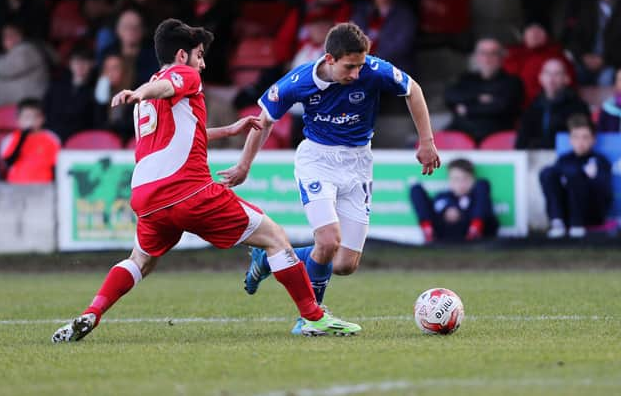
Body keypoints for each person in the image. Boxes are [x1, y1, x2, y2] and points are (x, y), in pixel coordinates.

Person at [51, 18, 360, 343]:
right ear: (182, 55)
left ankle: (93, 312)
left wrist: (228, 131)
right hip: (187, 190)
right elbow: (166, 86)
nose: (203, 62)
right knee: (275, 239)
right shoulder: (181, 76)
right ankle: (313, 317)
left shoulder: (152, 101)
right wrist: (137, 91)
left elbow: (180, 134)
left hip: (146, 198)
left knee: (140, 260)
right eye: (199, 55)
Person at [218, 22, 440, 334]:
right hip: (317, 161)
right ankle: (311, 318)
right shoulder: (298, 81)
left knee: (344, 263)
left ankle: (268, 259)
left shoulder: (373, 70)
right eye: (350, 66)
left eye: (361, 65)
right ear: (330, 59)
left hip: (359, 162)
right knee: (327, 240)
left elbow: (412, 89)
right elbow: (264, 120)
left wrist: (426, 141)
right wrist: (244, 165)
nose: (357, 74)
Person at [539, 114, 613, 238]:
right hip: (567, 210)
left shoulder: (600, 161)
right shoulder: (563, 160)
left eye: (585, 137)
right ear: (570, 139)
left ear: (593, 139)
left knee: (575, 174)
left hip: (591, 212)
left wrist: (587, 177)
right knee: (547, 172)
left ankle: (577, 223)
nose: (580, 142)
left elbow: (605, 193)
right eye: (576, 137)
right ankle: (557, 222)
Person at [444, 38, 523, 143]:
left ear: (501, 57)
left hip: (496, 136)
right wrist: (478, 97)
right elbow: (450, 96)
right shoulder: (467, 79)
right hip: (461, 132)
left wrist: (467, 109)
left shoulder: (512, 82)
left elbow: (501, 108)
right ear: (476, 57)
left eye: (493, 54)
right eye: (483, 53)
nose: (487, 58)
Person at [409, 158, 499, 243]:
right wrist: (448, 209)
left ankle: (475, 229)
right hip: (442, 234)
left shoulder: (478, 196)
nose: (461, 184)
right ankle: (428, 231)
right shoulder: (442, 196)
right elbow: (430, 210)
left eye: (465, 179)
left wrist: (459, 211)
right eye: (456, 179)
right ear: (449, 180)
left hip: (471, 230)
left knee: (483, 184)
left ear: (473, 179)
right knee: (415, 189)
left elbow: (483, 208)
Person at [515, 59, 590, 149]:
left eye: (557, 74)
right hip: (534, 157)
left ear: (566, 79)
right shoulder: (532, 107)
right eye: (547, 73)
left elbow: (581, 140)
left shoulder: (578, 107)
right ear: (540, 78)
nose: (551, 78)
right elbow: (521, 142)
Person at [351, 0, 417, 73]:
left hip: (394, 71)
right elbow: (353, 38)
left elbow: (401, 47)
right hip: (362, 68)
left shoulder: (404, 15)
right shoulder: (360, 11)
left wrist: (369, 61)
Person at [503, 21, 577, 107]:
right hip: (509, 104)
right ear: (524, 36)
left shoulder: (556, 55)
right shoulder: (512, 54)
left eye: (539, 32)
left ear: (546, 36)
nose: (535, 35)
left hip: (544, 104)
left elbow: (569, 83)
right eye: (531, 32)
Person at [567, 0, 621, 86]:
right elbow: (574, 37)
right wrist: (583, 57)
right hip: (585, 62)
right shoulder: (587, 6)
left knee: (606, 79)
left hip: (613, 64)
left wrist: (605, 60)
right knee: (570, 75)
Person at [0, 20, 50, 112]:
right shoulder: (7, 55)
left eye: (11, 34)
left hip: (26, 109)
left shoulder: (28, 49)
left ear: (20, 36)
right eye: (5, 35)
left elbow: (9, 69)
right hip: (5, 111)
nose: (7, 38)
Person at [0, 98, 60, 184]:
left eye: (35, 117)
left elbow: (56, 165)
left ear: (42, 119)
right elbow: (9, 162)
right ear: (18, 120)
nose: (31, 121)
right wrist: (23, 137)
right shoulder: (10, 139)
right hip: (16, 185)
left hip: (44, 186)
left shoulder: (51, 138)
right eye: (27, 117)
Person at [44, 46, 98, 142]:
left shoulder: (95, 90)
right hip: (52, 137)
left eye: (84, 61)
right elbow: (46, 112)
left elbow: (94, 122)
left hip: (81, 141)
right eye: (76, 61)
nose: (80, 66)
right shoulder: (56, 87)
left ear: (92, 64)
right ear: (70, 64)